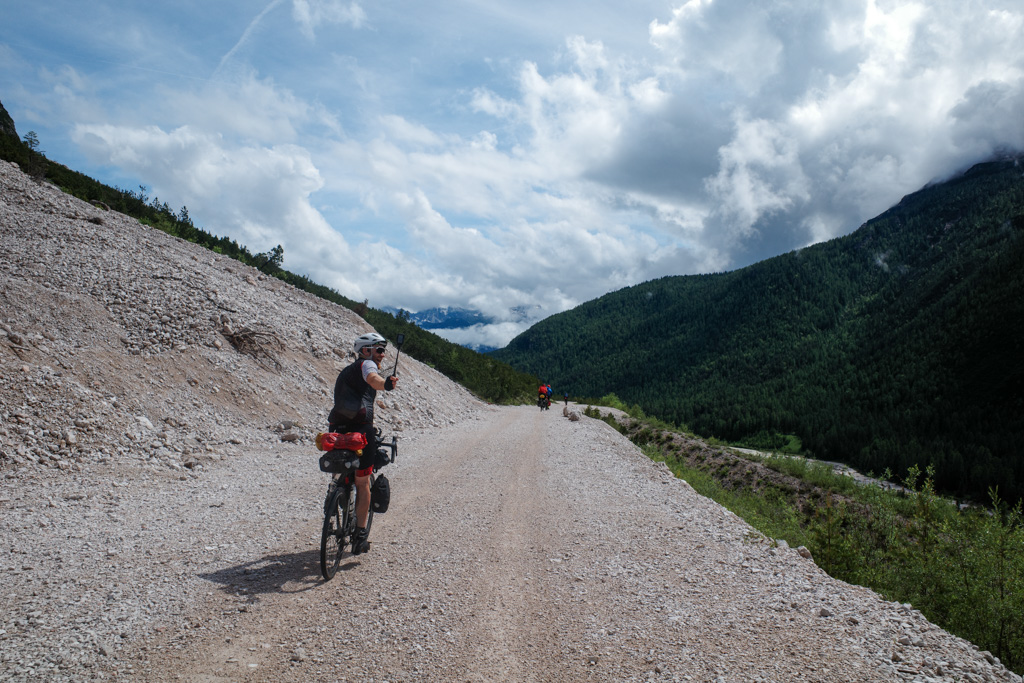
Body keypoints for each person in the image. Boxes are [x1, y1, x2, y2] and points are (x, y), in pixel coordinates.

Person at [327, 332, 398, 555]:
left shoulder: (347, 371)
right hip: (361, 430)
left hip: (337, 427)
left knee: (340, 468)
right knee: (362, 481)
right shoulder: (367, 364)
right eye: (379, 349)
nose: (383, 354)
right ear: (366, 350)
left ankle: (336, 492)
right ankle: (359, 536)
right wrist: (385, 384)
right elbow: (373, 379)